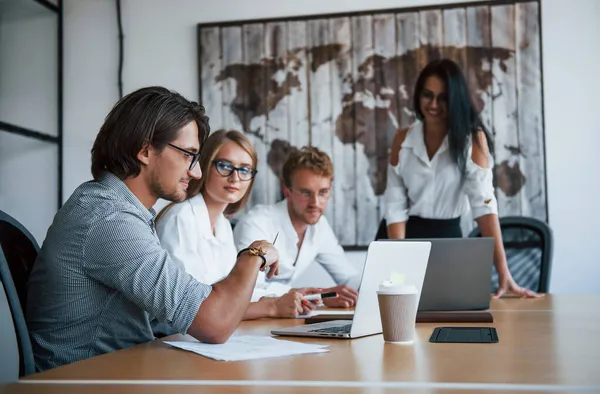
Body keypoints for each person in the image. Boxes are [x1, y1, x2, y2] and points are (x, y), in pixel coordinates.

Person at [26, 87, 279, 371]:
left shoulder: (120, 211)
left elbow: (169, 313)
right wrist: (255, 253)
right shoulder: (110, 219)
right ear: (145, 151)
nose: (196, 172)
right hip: (85, 383)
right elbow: (215, 322)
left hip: (116, 372)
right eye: (188, 155)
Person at [383, 58, 540, 299]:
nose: (434, 104)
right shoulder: (403, 139)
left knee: (450, 311)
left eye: (443, 98)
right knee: (398, 313)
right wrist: (399, 262)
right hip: (402, 238)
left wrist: (503, 271)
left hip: (447, 240)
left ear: (455, 100)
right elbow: (395, 206)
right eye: (427, 95)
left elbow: (484, 207)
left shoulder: (472, 140)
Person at [156, 130, 321, 318]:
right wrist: (272, 307)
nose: (235, 178)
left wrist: (292, 294)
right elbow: (196, 309)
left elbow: (232, 294)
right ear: (205, 165)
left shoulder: (222, 225)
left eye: (244, 170)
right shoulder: (181, 219)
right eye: (225, 166)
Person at [233, 146, 359, 308]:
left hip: (284, 317)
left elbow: (348, 278)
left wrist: (381, 286)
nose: (315, 203)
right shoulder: (256, 223)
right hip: (245, 321)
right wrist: (318, 296)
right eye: (306, 193)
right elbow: (250, 290)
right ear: (287, 192)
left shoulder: (319, 226)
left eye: (323, 192)